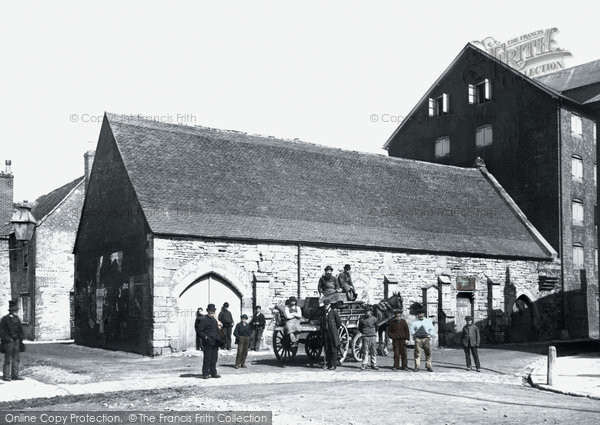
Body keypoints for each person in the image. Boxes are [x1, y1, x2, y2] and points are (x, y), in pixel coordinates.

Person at [197, 303, 223, 379]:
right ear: (207, 311)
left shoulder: (215, 319)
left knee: (214, 358)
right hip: (208, 342)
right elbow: (199, 331)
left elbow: (218, 329)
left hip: (215, 342)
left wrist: (219, 326)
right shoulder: (204, 319)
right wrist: (205, 337)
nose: (212, 312)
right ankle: (205, 373)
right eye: (211, 311)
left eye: (213, 311)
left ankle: (213, 373)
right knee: (207, 358)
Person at [0, 300, 24, 381]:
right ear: (11, 311)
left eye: (16, 310)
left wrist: (20, 338)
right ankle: (6, 376)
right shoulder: (4, 319)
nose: (16, 311)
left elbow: (20, 330)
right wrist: (8, 339)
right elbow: (2, 331)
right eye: (15, 310)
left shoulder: (17, 319)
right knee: (7, 359)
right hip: (8, 342)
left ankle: (15, 375)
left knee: (16, 359)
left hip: (16, 342)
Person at [320, 299, 341, 370]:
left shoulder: (333, 312)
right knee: (327, 349)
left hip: (332, 334)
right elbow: (321, 323)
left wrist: (334, 329)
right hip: (325, 333)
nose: (325, 306)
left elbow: (339, 323)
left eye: (327, 305)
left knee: (333, 349)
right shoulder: (323, 313)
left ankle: (333, 365)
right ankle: (328, 364)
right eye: (325, 305)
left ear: (329, 305)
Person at [358, 306, 379, 370]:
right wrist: (365, 333)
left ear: (370, 312)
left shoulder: (374, 319)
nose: (366, 313)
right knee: (365, 351)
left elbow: (377, 327)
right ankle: (364, 364)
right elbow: (360, 328)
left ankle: (374, 364)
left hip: (372, 336)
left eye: (368, 311)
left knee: (373, 351)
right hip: (365, 337)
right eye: (365, 311)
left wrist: (373, 333)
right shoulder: (362, 319)